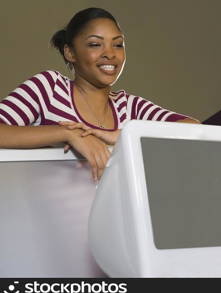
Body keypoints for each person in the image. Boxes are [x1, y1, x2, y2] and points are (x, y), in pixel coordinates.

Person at [0, 7, 199, 181]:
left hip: (117, 222)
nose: (110, 54)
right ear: (70, 52)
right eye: (95, 44)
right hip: (49, 223)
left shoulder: (129, 107)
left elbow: (194, 130)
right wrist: (67, 134)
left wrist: (123, 135)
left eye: (118, 44)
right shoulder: (50, 88)